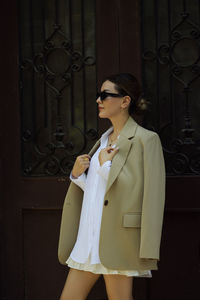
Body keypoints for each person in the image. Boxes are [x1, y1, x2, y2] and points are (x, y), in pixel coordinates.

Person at [58, 73, 166, 300]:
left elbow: (151, 197)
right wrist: (77, 176)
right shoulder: (102, 142)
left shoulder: (146, 140)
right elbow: (99, 193)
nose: (99, 100)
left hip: (117, 241)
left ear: (125, 101)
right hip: (88, 240)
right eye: (99, 95)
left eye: (105, 95)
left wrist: (105, 167)